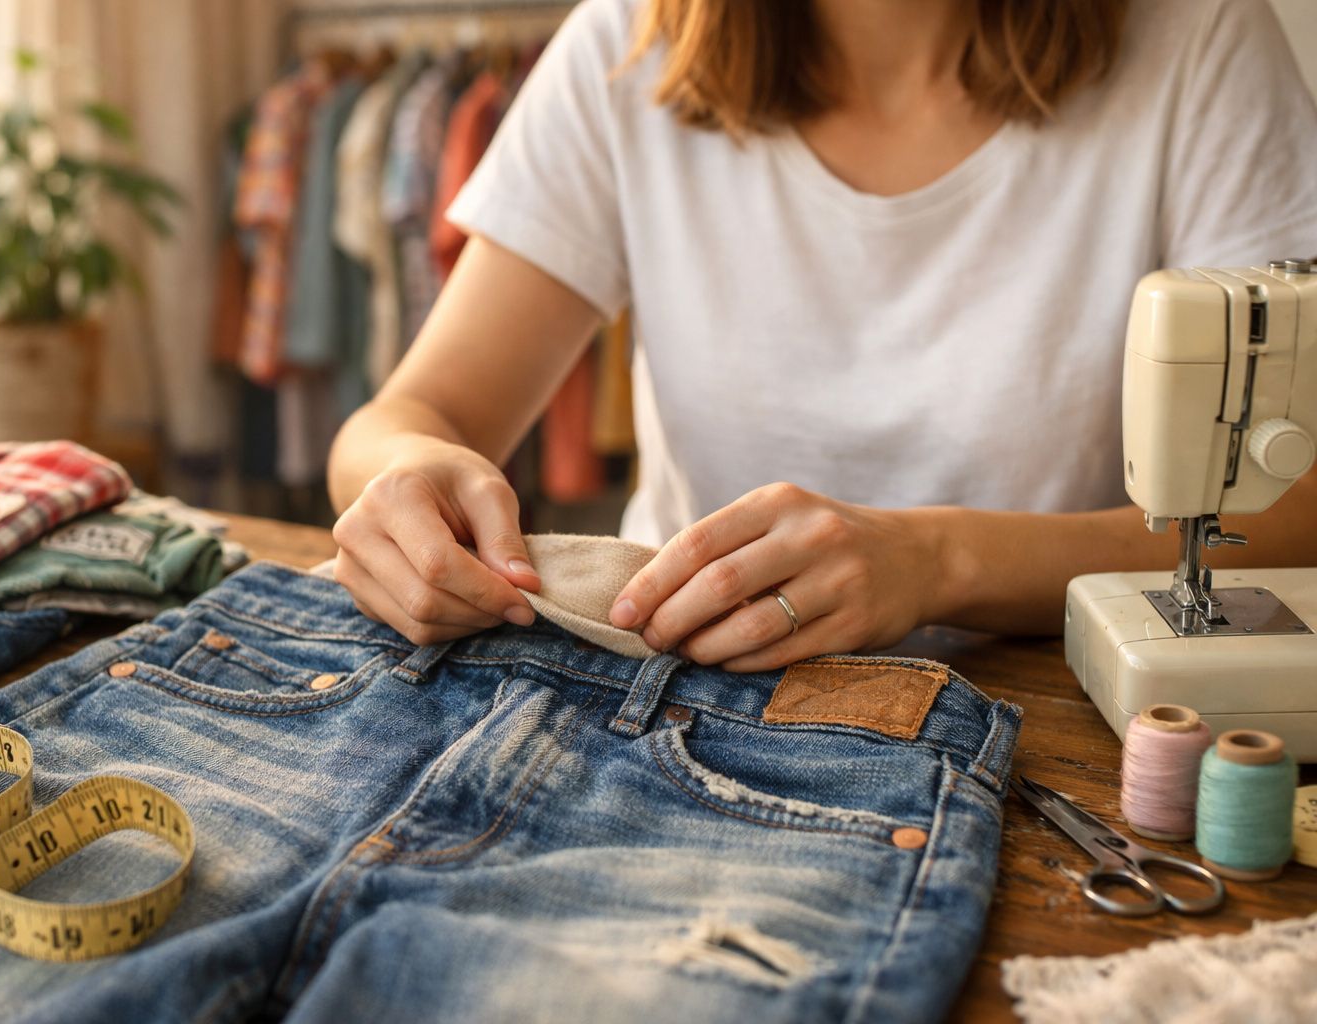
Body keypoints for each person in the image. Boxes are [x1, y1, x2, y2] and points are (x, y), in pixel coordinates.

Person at [326, 0, 1317, 670]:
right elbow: (415, 415)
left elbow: (1298, 507)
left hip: (1051, 706)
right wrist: (403, 484)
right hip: (678, 692)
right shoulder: (627, 43)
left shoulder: (1202, 38)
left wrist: (939, 560)